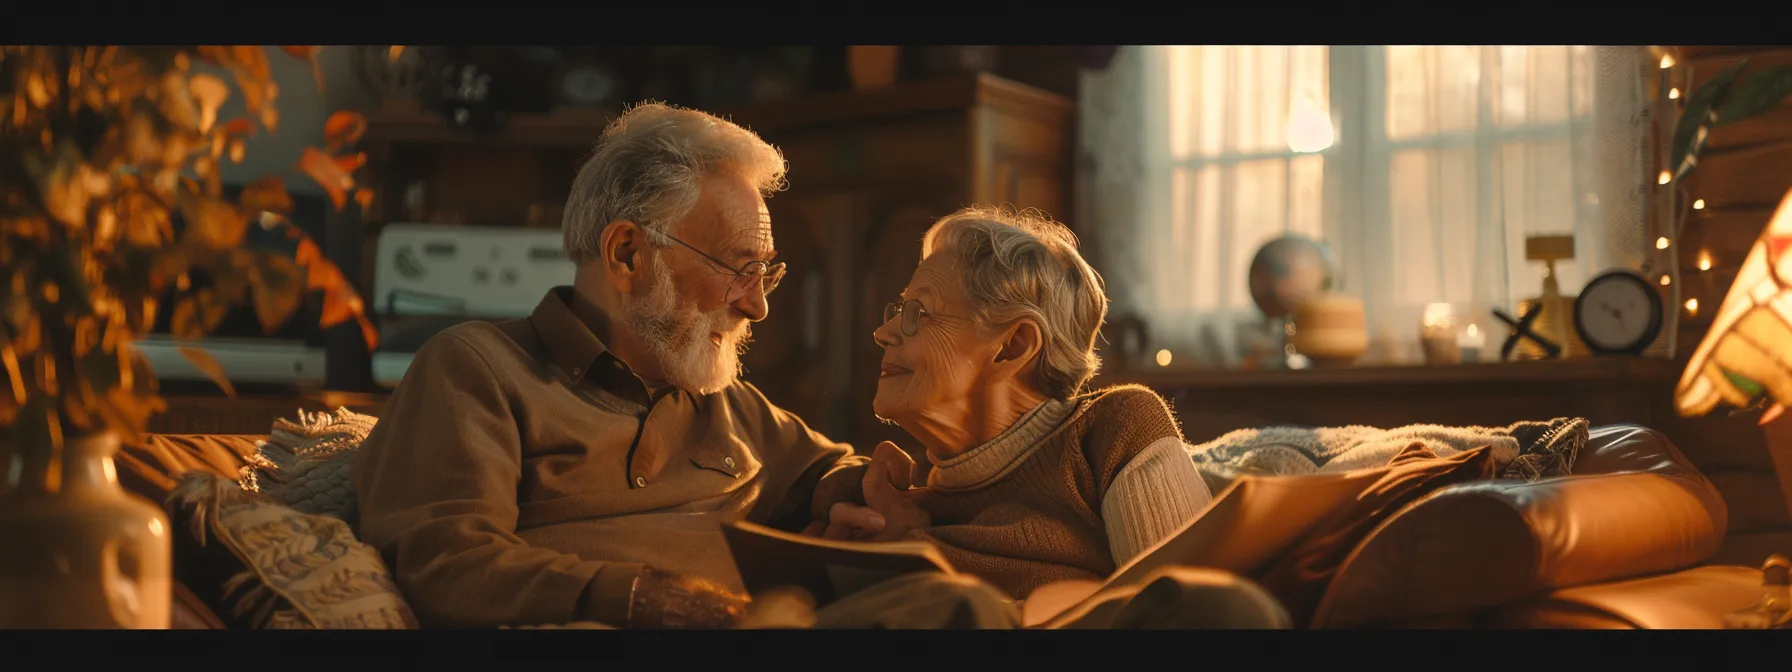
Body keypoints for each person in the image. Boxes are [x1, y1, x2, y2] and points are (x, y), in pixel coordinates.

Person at [352, 102, 1000, 630]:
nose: (760, 305)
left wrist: (861, 490)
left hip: (774, 621)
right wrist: (647, 600)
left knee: (981, 602)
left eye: (768, 271)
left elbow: (819, 469)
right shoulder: (478, 371)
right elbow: (445, 561)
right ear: (628, 254)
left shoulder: (717, 394)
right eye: (740, 268)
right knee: (961, 612)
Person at [814, 206, 1239, 606]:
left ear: (1012, 347)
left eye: (918, 312)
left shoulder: (1113, 429)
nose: (883, 332)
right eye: (898, 310)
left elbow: (1188, 617)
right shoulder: (897, 507)